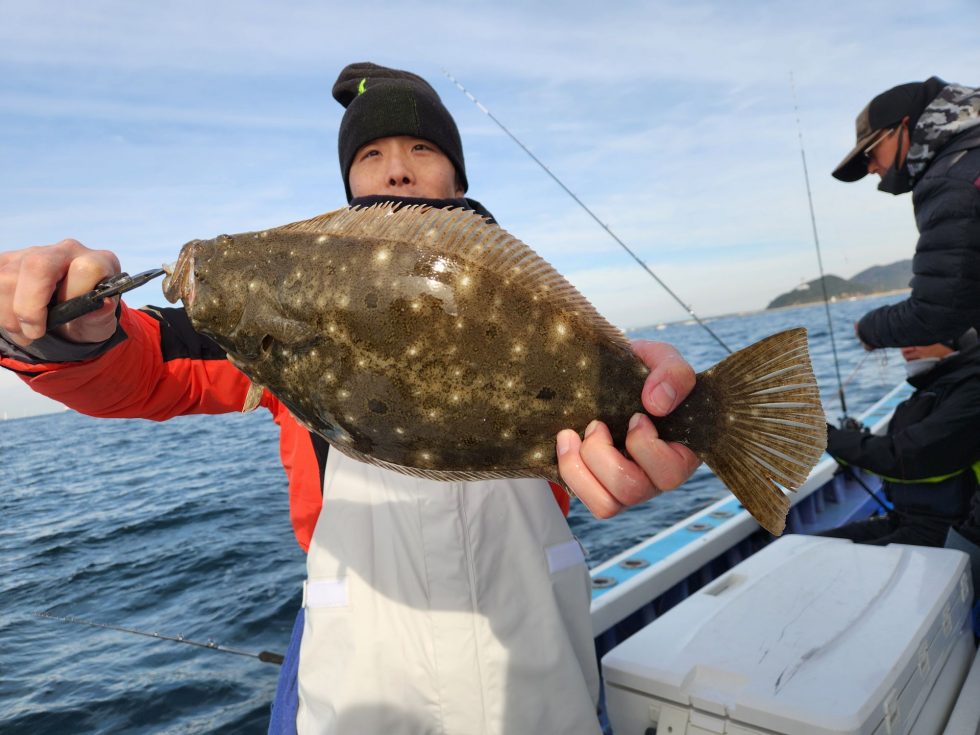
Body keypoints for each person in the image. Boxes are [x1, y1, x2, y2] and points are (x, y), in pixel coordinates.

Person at [0, 62, 700, 735]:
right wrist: (69, 332)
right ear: (347, 184)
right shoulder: (286, 320)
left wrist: (672, 422)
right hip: (363, 678)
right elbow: (144, 366)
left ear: (457, 175)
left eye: (421, 147)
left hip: (538, 662)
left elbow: (616, 407)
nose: (397, 167)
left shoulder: (527, 317)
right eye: (371, 154)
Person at [831, 77, 980, 350]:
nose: (871, 168)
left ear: (903, 126)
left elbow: (937, 313)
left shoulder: (951, 180)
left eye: (869, 152)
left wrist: (868, 329)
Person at [819, 330, 980, 548]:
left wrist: (826, 437)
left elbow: (910, 456)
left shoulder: (972, 390)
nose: (906, 349)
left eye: (920, 338)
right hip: (904, 520)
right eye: (904, 342)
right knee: (805, 546)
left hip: (954, 530)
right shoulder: (930, 390)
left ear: (958, 340)